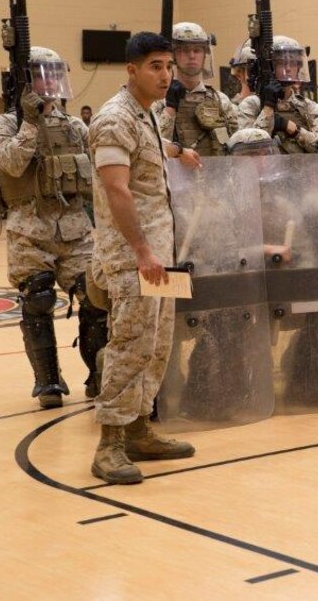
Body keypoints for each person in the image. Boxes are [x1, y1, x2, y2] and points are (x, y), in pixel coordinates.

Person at [88, 31, 203, 485]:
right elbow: (116, 188)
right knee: (130, 343)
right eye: (155, 66)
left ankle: (138, 430)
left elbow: (149, 153)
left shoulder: (146, 114)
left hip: (157, 254)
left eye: (168, 66)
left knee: (156, 345)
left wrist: (180, 151)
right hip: (133, 255)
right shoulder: (113, 119)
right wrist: (140, 252)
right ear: (131, 70)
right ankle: (110, 443)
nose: (165, 74)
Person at [0, 47, 107, 406]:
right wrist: (29, 122)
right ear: (25, 82)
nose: (50, 81)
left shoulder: (74, 126)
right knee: (37, 298)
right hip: (30, 230)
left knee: (95, 297)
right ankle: (48, 382)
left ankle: (98, 374)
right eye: (42, 74)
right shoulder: (5, 124)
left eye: (55, 74)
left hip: (74, 227)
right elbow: (10, 163)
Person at [153, 22, 239, 157]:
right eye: (185, 50)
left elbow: (236, 146)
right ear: (173, 56)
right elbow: (153, 147)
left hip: (215, 175)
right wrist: (170, 109)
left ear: (205, 55)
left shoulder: (220, 100)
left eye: (197, 50)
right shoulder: (158, 100)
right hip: (176, 176)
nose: (192, 56)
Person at [239, 35, 318, 153]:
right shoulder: (251, 105)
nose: (288, 68)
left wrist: (293, 129)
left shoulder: (310, 107)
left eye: (293, 62)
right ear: (271, 66)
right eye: (282, 62)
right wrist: (268, 108)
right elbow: (249, 151)